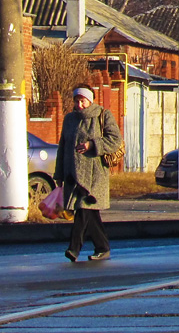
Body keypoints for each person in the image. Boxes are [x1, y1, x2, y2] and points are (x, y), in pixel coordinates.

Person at [54, 84, 122, 262]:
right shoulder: (70, 119)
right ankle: (102, 247)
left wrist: (92, 145)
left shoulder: (102, 115)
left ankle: (74, 249)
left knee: (83, 209)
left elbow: (115, 140)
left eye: (82, 101)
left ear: (90, 101)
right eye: (76, 101)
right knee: (90, 213)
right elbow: (62, 147)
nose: (79, 105)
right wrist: (59, 175)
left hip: (94, 174)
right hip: (73, 175)